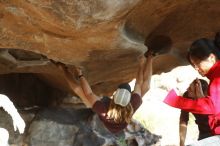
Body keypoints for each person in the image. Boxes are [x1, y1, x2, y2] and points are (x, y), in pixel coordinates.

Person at [57, 51, 153, 134]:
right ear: (130, 97)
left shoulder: (103, 109)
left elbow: (89, 94)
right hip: (120, 118)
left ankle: (63, 69)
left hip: (111, 121)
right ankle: (151, 56)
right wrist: (141, 64)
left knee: (79, 90)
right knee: (146, 87)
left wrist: (80, 75)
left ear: (114, 95)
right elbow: (139, 83)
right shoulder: (134, 102)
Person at [164, 34, 220, 135]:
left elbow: (211, 107)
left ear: (212, 58)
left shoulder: (217, 76)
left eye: (197, 64)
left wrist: (175, 100)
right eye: (194, 66)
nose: (196, 69)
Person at [179, 79, 212, 146]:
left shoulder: (212, 97)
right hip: (203, 132)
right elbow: (183, 120)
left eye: (190, 89)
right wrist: (181, 143)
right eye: (189, 86)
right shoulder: (187, 96)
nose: (187, 89)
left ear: (199, 91)